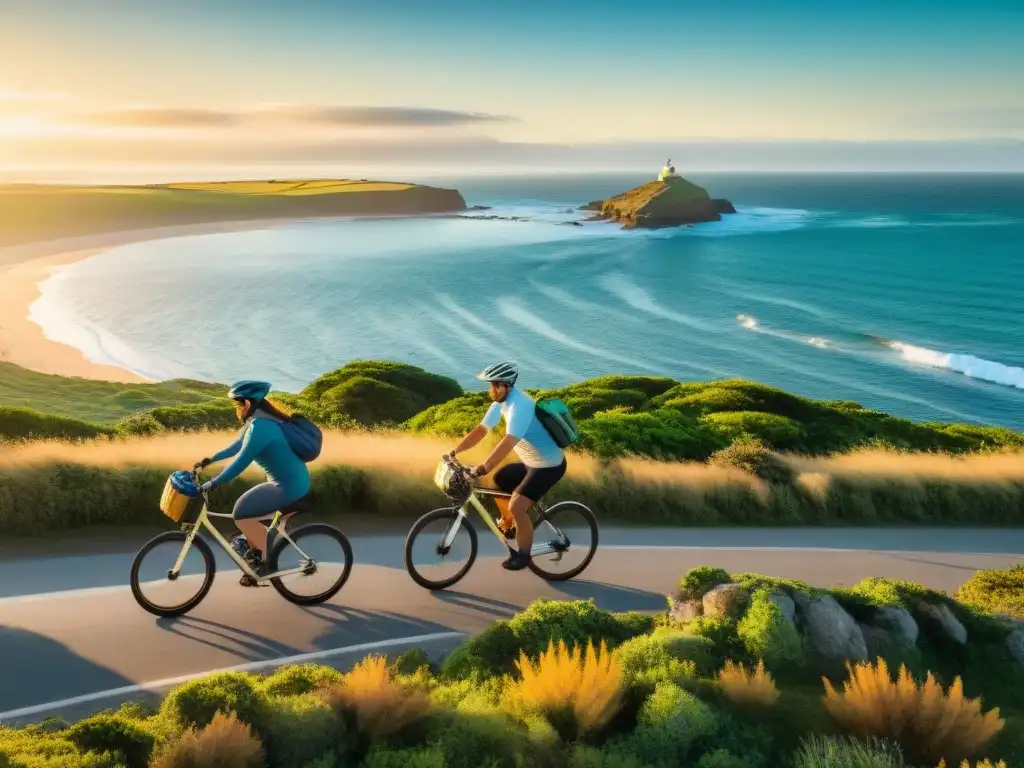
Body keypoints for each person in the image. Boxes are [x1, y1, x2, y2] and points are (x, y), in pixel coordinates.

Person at [447, 361, 567, 571]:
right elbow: (481, 431)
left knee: (517, 506)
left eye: (494, 385)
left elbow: (508, 442)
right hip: (531, 462)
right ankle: (508, 523)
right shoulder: (501, 404)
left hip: (549, 465)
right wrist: (454, 452)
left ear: (507, 386)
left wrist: (484, 467)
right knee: (500, 479)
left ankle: (523, 555)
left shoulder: (519, 406)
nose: (490, 390)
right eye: (490, 385)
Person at [195, 380, 311, 585]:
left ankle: (265, 564)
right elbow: (235, 447)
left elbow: (241, 461)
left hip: (288, 485)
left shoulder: (261, 427)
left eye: (237, 405)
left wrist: (213, 483)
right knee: (245, 514)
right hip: (286, 482)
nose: (237, 409)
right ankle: (258, 550)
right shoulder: (256, 423)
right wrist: (209, 460)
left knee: (241, 512)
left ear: (247, 404)